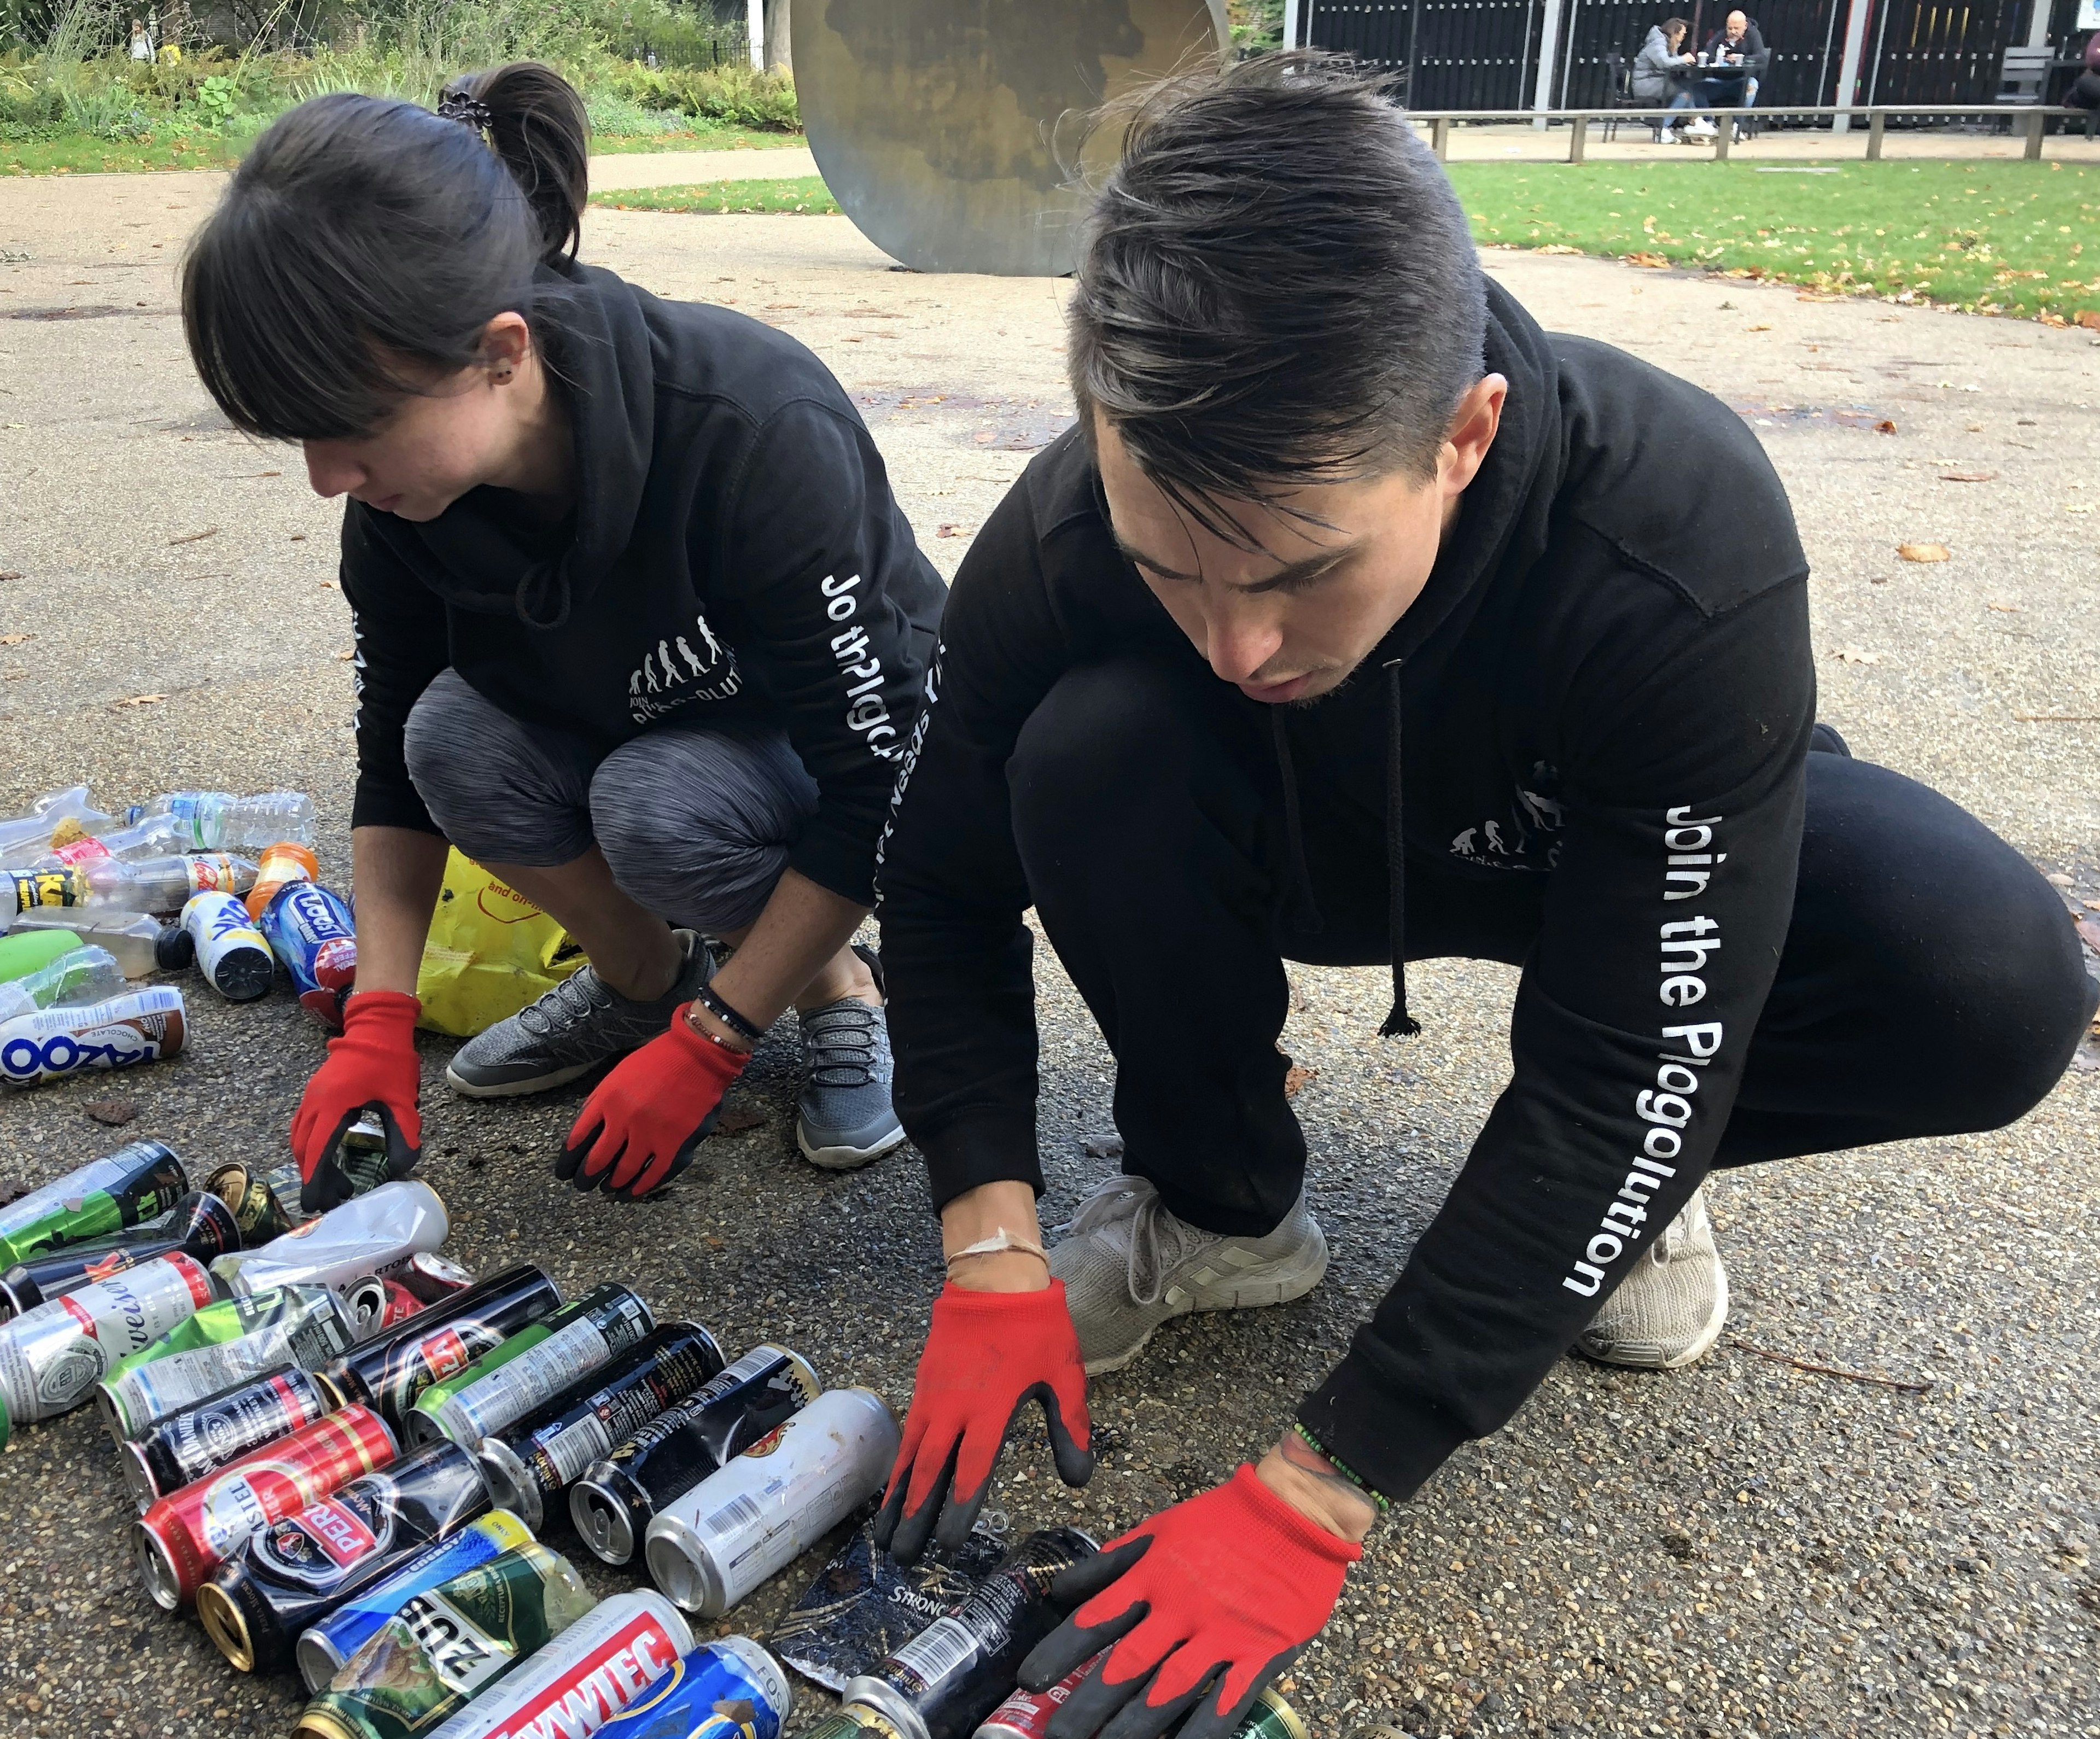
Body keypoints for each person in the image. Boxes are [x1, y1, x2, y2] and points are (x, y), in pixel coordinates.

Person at [870, 56, 2097, 1739]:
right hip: (1294, 837)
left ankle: (1639, 1192)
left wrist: (1323, 1483)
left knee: (1991, 974)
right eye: (1175, 568)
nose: (1234, 644)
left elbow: (1619, 1056)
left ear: (1461, 438)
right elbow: (933, 876)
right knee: (1083, 748)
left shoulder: (1670, 528)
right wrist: (986, 1233)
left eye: (1299, 570)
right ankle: (1221, 1206)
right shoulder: (1073, 519)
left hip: (1592, 851)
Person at [180, 63, 944, 1210]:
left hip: (804, 756)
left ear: (500, 353)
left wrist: (720, 1042)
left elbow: (883, 785)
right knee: (449, 736)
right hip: (636, 722)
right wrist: (378, 1021)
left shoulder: (751, 434)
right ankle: (642, 976)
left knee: (656, 807)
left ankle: (836, 990)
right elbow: (392, 755)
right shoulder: (403, 501)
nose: (325, 479)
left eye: (349, 433)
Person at [1630, 17, 1708, 142]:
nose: (1683, 37)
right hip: (1646, 84)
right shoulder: (1658, 43)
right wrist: (1684, 59)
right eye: (1682, 34)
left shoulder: (1668, 43)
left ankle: (1697, 121)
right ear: (1674, 33)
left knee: (1688, 84)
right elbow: (1664, 63)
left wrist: (1682, 60)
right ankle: (1664, 129)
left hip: (1657, 81)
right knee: (1684, 95)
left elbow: (1672, 62)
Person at [1698, 10, 1769, 139]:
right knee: (1696, 89)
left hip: (1741, 82)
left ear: (1745, 26)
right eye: (1730, 28)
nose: (1733, 31)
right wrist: (1722, 59)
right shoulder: (1721, 35)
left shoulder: (1753, 35)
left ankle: (1737, 125)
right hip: (1719, 81)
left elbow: (1762, 57)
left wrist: (1742, 58)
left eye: (1737, 28)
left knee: (1752, 86)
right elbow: (1707, 54)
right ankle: (1709, 123)